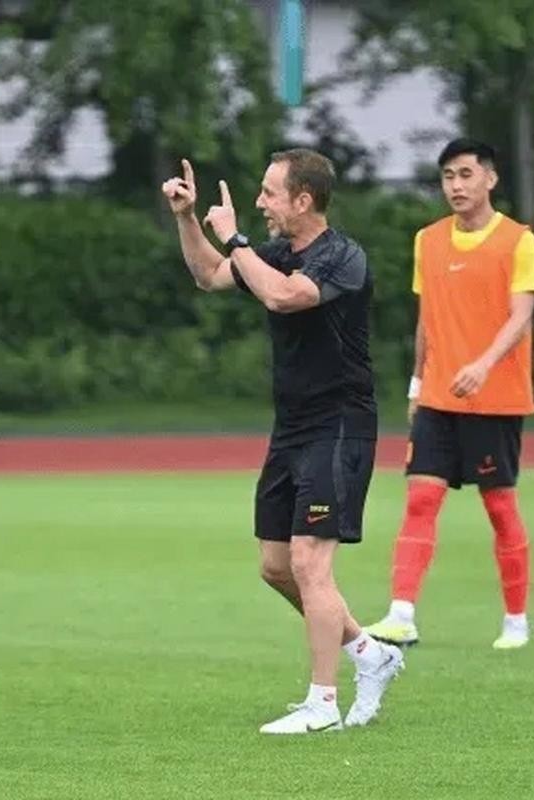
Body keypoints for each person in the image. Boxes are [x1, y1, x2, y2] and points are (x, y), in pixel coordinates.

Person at [161, 149, 403, 734]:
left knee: (309, 563)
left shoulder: (342, 256)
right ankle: (370, 653)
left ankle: (323, 703)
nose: (260, 202)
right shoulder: (271, 252)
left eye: (270, 193)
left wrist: (235, 238)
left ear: (304, 199)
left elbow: (284, 296)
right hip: (292, 426)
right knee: (276, 567)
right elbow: (210, 275)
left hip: (339, 424)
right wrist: (189, 219)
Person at [363, 139, 534, 650]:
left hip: (496, 398)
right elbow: (427, 319)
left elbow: (522, 315)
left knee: (500, 507)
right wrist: (418, 384)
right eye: (448, 176)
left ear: (490, 178)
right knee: (421, 498)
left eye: (466, 174)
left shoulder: (518, 241)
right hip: (438, 396)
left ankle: (516, 621)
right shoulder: (429, 240)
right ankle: (401, 614)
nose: (456, 186)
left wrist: (483, 365)